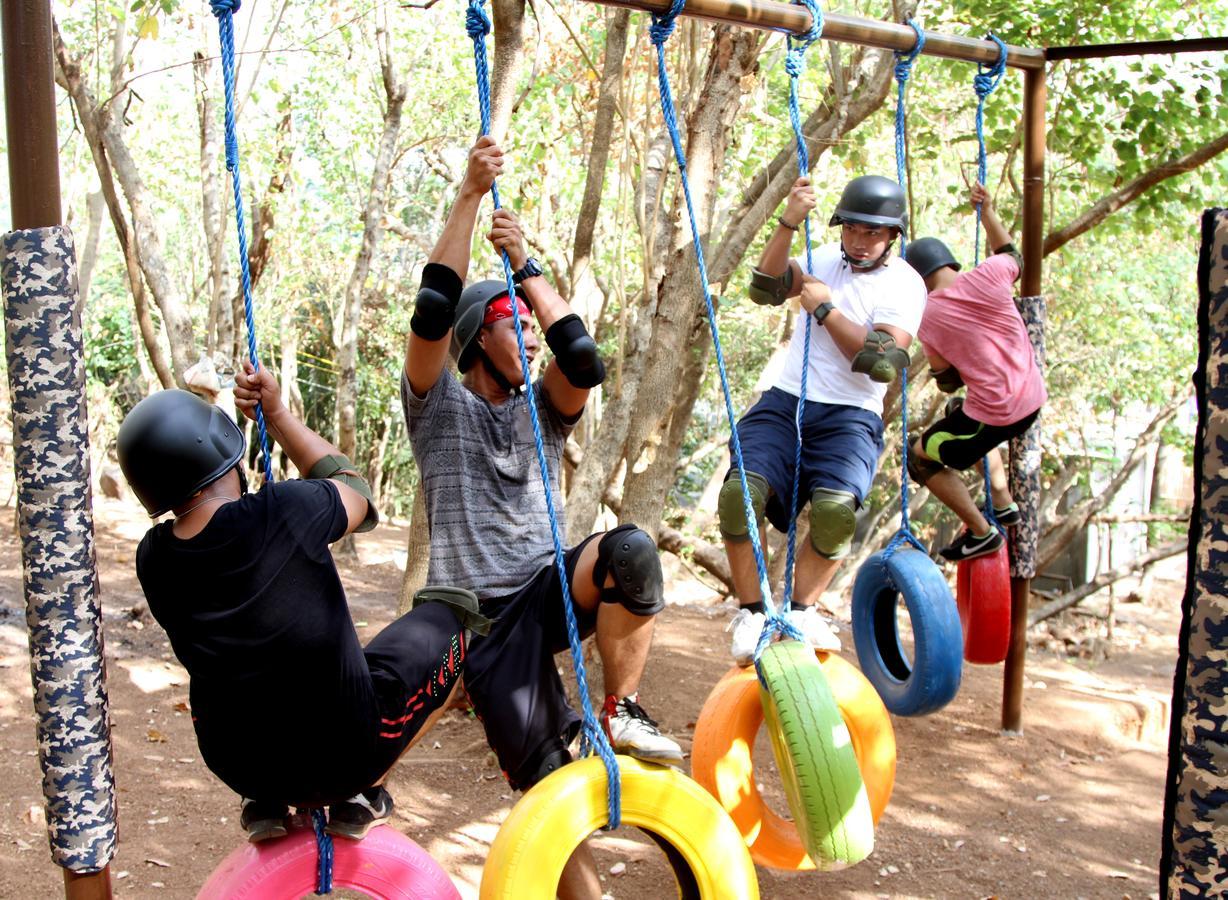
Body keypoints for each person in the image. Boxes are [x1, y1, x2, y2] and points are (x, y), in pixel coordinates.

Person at [401, 136, 682, 899]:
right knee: (549, 787)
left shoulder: (546, 412)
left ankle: (619, 709)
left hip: (551, 591)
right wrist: (468, 196)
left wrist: (525, 269)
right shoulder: (436, 408)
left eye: (530, 324)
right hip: (480, 621)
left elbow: (583, 358)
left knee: (630, 552)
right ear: (473, 341)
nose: (530, 334)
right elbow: (431, 310)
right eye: (511, 323)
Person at [119, 370, 485, 844]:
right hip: (339, 758)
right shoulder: (284, 509)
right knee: (449, 616)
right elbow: (358, 494)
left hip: (240, 763)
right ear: (220, 454)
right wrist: (277, 416)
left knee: (243, 667)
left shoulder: (153, 558)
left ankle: (264, 803)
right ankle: (361, 792)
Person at [725, 173, 927, 665]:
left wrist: (825, 311)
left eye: (872, 233)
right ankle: (752, 614)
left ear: (893, 236)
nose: (859, 242)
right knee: (739, 494)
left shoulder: (905, 283)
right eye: (852, 230)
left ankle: (802, 611)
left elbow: (882, 359)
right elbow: (764, 288)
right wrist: (789, 223)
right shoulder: (820, 261)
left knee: (836, 513)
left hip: (851, 415)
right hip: (786, 401)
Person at [902, 182, 1047, 561]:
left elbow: (947, 381)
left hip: (999, 414)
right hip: (1032, 397)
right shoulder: (993, 274)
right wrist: (988, 215)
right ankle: (1002, 501)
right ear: (950, 263)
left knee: (919, 457)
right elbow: (1012, 253)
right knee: (960, 415)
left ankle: (982, 534)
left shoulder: (926, 316)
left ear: (916, 280)